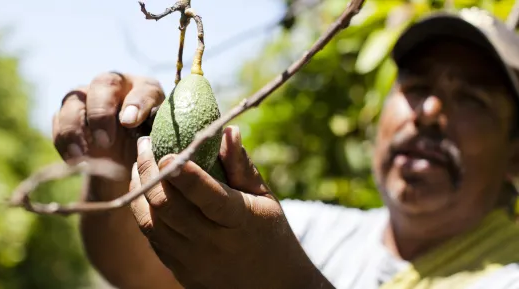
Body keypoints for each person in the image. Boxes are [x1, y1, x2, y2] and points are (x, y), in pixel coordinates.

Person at [51, 7, 519, 289]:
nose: (431, 109)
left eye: (472, 97)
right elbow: (138, 271)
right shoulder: (322, 234)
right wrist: (115, 163)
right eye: (417, 85)